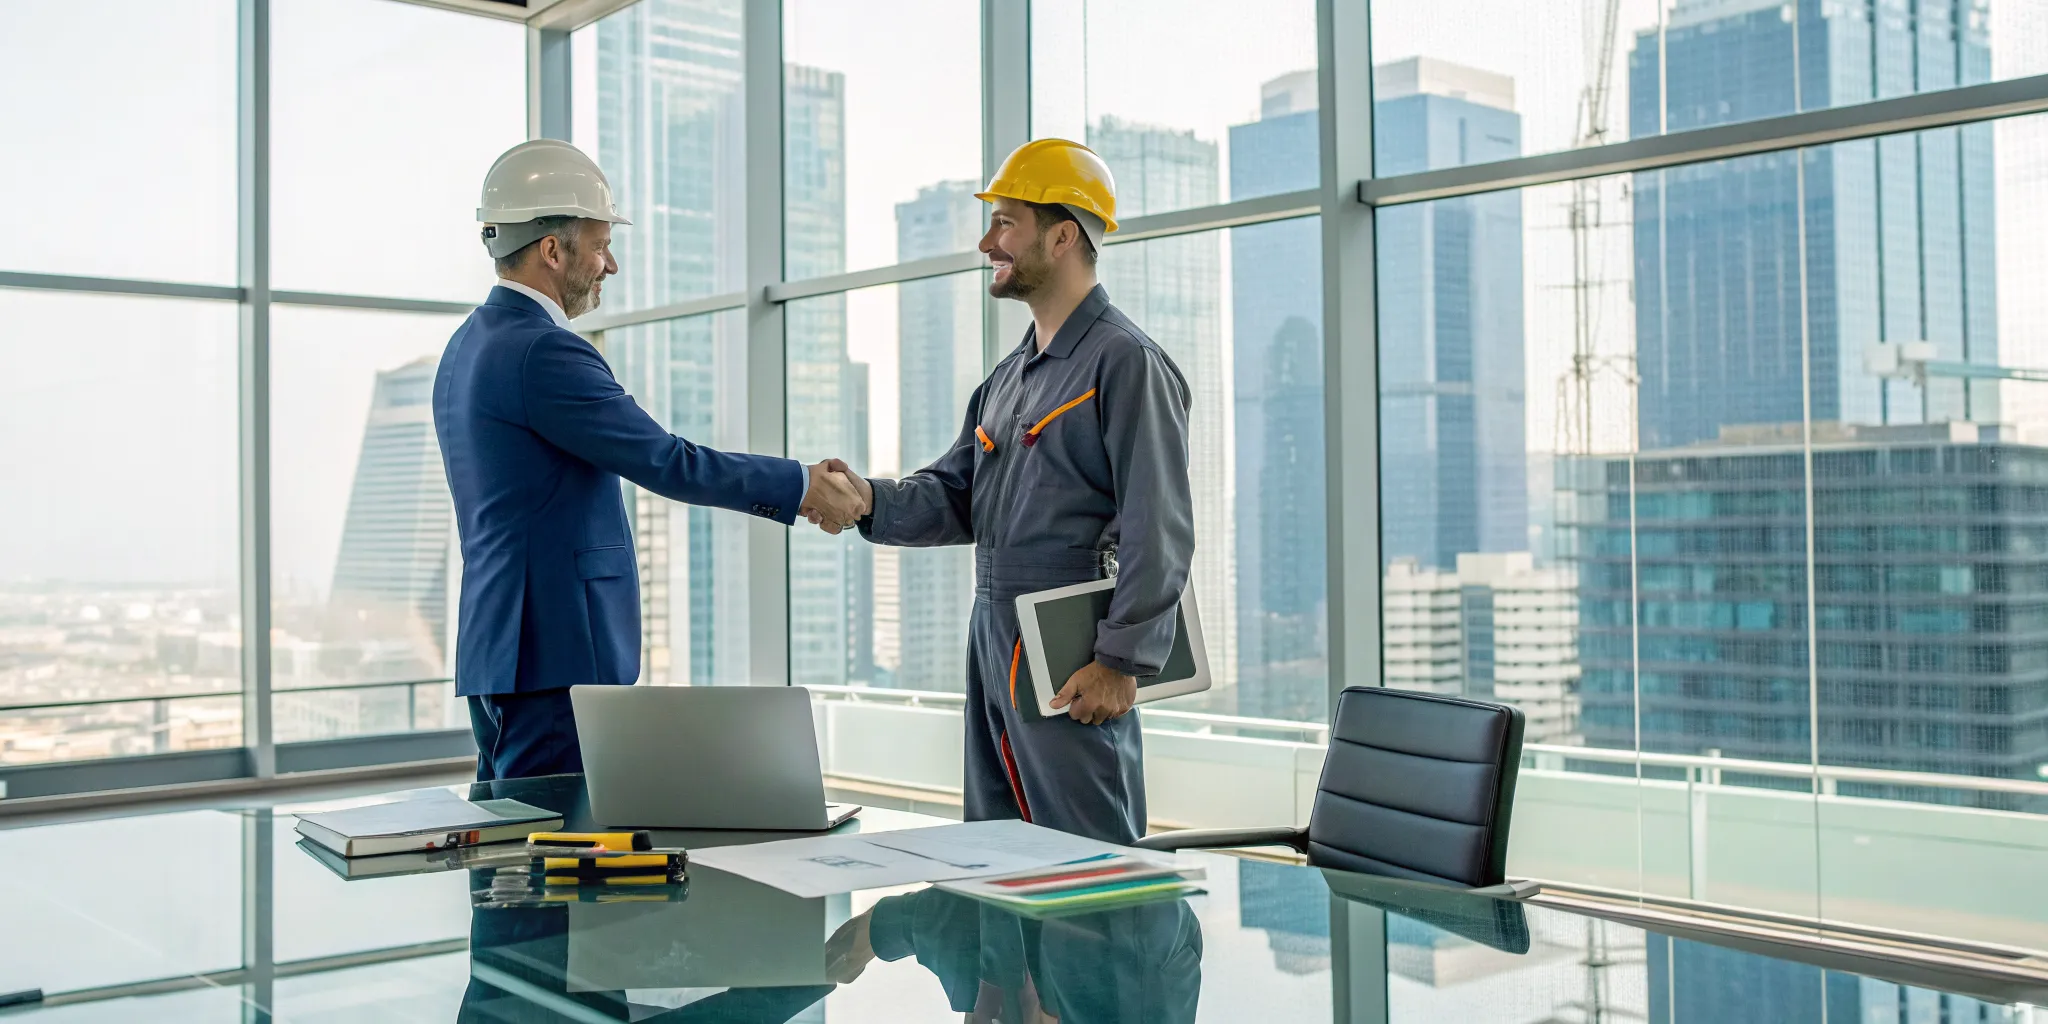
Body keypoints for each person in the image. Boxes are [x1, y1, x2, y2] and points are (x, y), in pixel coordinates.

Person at [436, 139, 863, 782]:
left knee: (510, 851)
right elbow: (668, 461)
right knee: (559, 857)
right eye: (600, 245)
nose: (609, 265)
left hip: (500, 650)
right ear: (552, 249)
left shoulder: (465, 347)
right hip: (558, 655)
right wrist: (800, 483)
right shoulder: (544, 353)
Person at [819, 139, 1195, 845]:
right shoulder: (1011, 376)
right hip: (992, 628)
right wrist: (868, 499)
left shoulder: (1126, 362)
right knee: (993, 842)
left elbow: (1160, 527)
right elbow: (958, 493)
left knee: (1084, 850)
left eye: (1005, 223)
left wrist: (1121, 661)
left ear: (1062, 236)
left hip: (1068, 640)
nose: (986, 241)